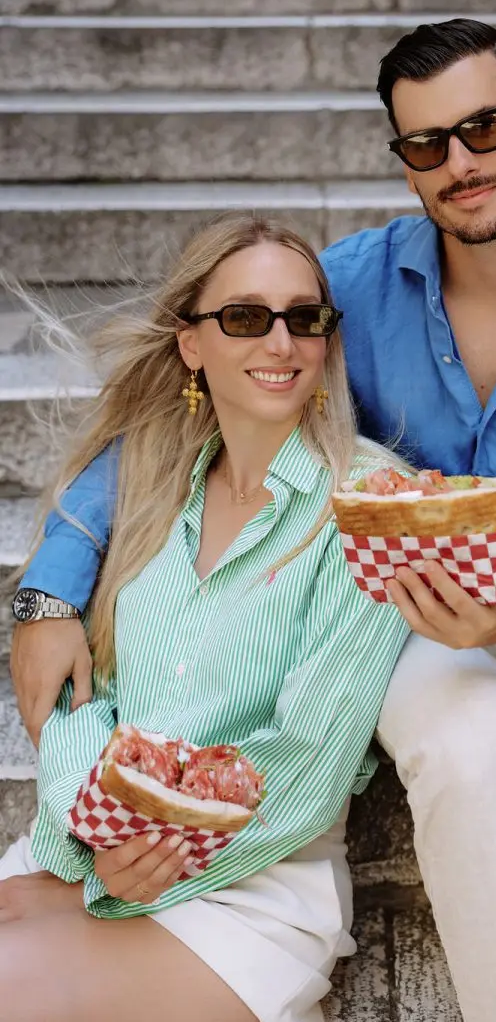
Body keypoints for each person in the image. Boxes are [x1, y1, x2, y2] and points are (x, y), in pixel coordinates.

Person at [11, 20, 496, 1022]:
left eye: (484, 127)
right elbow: (180, 417)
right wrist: (51, 585)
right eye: (426, 143)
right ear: (405, 161)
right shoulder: (344, 292)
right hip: (426, 631)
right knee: (469, 749)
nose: (460, 162)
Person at [1, 213, 411, 1022]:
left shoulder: (370, 506)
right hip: (100, 845)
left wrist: (125, 873)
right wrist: (93, 838)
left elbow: (309, 758)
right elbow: (85, 700)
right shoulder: (148, 489)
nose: (281, 342)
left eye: (304, 317)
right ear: (191, 343)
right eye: (246, 317)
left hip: (253, 888)